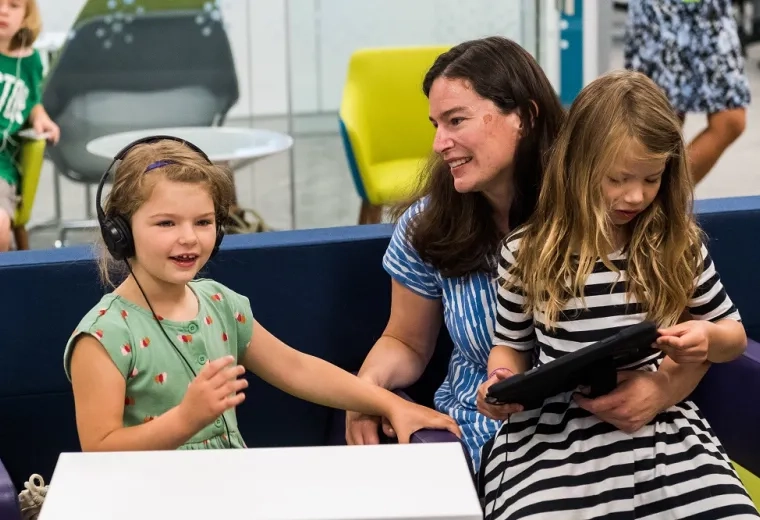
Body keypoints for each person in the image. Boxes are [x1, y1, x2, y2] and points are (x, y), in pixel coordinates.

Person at [478, 69, 758, 519]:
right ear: (577, 165)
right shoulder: (526, 251)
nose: (636, 196)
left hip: (662, 429)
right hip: (553, 438)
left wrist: (706, 340)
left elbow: (734, 334)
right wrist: (499, 381)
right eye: (618, 179)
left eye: (652, 180)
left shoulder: (677, 243)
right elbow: (510, 345)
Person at [62, 137, 461, 452]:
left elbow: (299, 369)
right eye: (165, 223)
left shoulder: (219, 305)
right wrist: (186, 418)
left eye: (203, 222)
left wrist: (389, 403)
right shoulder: (105, 336)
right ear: (120, 231)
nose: (188, 237)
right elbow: (100, 450)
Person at [345, 36, 566, 472]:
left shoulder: (594, 211)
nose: (439, 143)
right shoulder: (429, 223)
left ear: (525, 116)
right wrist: (366, 390)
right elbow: (406, 340)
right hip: (479, 439)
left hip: (589, 433)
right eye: (435, 125)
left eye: (456, 121)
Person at [624, 0, 750, 184]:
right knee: (662, 123)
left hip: (711, 10)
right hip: (663, 9)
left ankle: (664, 201)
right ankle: (652, 202)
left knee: (731, 119)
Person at [0, 0, 60, 252]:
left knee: (1, 227)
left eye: (13, 6)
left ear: (26, 16)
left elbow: (31, 100)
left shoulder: (30, 61)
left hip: (2, 164)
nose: (3, 10)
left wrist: (40, 116)